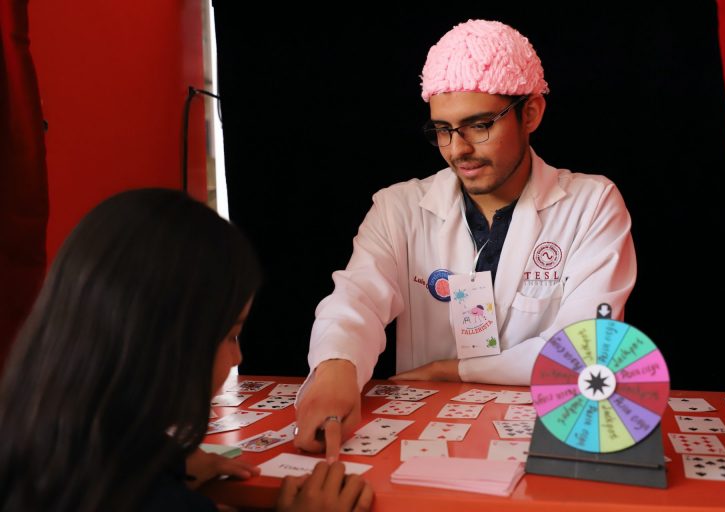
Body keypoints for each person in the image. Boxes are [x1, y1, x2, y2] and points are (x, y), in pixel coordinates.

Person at [294, 19, 637, 459]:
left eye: (479, 125)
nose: (458, 149)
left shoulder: (591, 205)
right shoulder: (399, 208)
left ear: (531, 113)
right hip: (425, 446)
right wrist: (335, 367)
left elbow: (583, 352)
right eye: (443, 129)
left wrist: (454, 371)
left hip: (545, 442)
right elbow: (355, 301)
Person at [0, 189, 372, 512]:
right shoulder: (161, 502)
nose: (238, 358)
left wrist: (161, 462)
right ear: (170, 347)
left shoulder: (34, 436)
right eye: (231, 336)